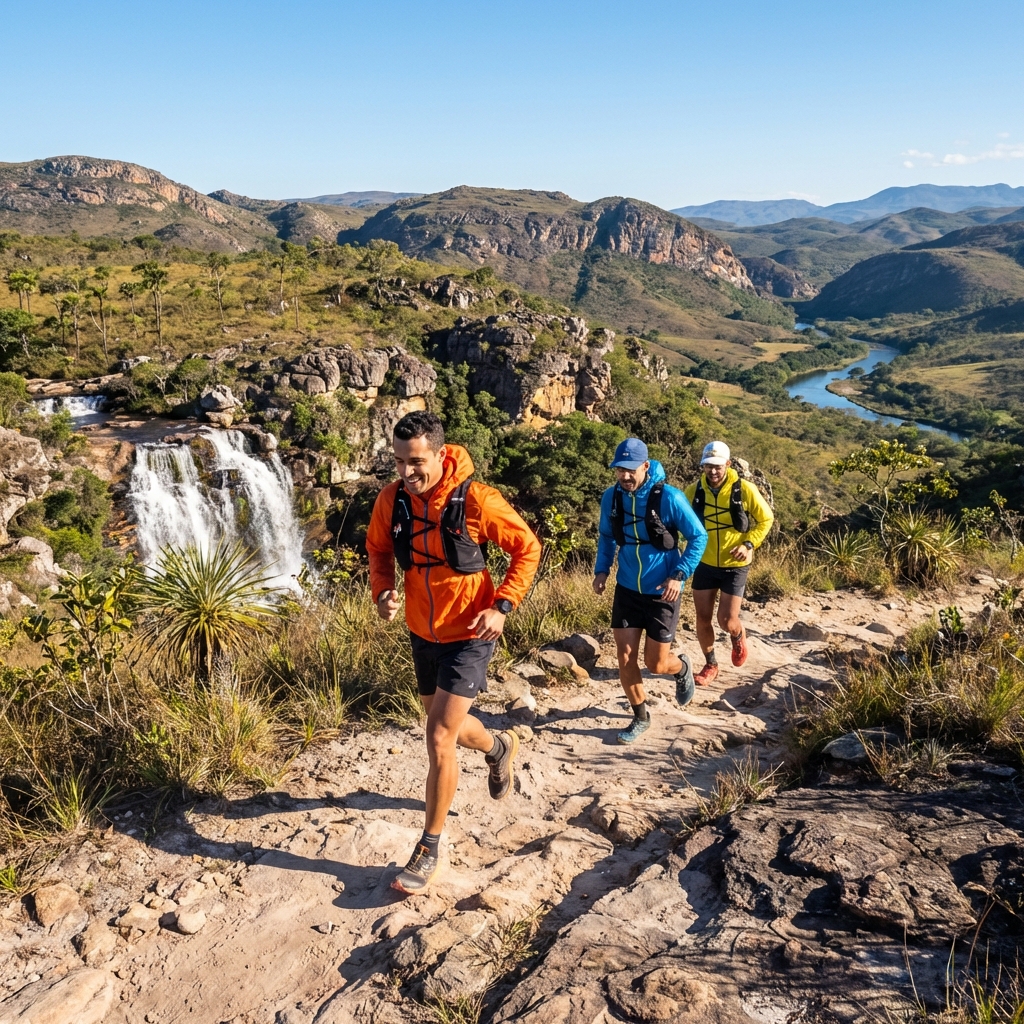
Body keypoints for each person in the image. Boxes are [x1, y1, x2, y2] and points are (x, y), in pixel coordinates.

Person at [366, 411, 541, 894]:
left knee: (439, 736)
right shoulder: (392, 499)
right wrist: (383, 590)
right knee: (451, 727)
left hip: (471, 631)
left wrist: (504, 605)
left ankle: (430, 847)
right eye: (399, 462)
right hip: (422, 629)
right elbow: (378, 549)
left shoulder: (477, 500)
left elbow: (528, 547)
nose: (407, 472)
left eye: (416, 461)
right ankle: (500, 746)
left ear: (441, 454)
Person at [594, 437, 707, 743]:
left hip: (663, 591)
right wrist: (602, 570)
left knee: (656, 663)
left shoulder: (668, 497)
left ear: (645, 466)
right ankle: (640, 715)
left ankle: (681, 667)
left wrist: (679, 574)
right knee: (625, 655)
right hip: (628, 587)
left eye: (631, 470)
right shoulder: (611, 498)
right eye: (620, 470)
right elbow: (606, 536)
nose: (625, 476)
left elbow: (699, 536)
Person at [683, 441, 774, 685]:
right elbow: (678, 519)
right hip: (704, 562)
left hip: (736, 563)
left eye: (718, 466)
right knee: (702, 618)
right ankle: (710, 664)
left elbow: (766, 519)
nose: (713, 471)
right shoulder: (694, 491)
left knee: (727, 620)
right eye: (708, 466)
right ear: (703, 466)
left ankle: (738, 635)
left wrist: (748, 544)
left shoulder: (744, 489)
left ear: (728, 465)